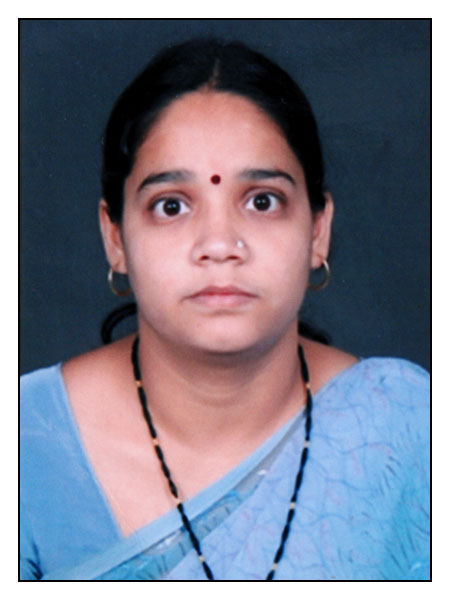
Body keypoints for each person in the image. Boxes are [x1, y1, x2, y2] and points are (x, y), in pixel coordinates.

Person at [20, 39, 430, 581]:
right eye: (172, 206)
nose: (219, 244)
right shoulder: (25, 445)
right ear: (114, 237)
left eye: (262, 201)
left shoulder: (408, 429)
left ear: (318, 230)